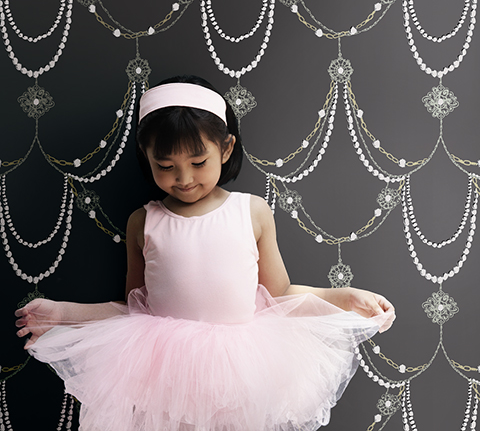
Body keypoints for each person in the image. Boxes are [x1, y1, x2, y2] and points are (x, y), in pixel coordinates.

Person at [15, 75, 395, 431]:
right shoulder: (143, 222)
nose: (184, 178)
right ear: (146, 157)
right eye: (165, 166)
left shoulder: (252, 211)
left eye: (198, 163)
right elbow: (134, 311)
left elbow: (279, 296)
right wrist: (65, 314)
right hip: (164, 372)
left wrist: (342, 298)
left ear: (226, 147)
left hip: (243, 368)